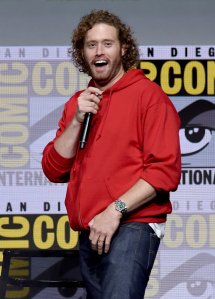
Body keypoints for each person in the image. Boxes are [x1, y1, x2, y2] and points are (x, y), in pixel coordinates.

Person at [42, 9, 181, 299]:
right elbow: (54, 169)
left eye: (107, 43)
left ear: (123, 49)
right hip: (92, 230)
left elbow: (163, 171)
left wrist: (113, 211)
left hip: (132, 224)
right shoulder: (79, 104)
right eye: (91, 45)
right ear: (82, 52)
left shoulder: (149, 97)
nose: (99, 51)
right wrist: (77, 120)